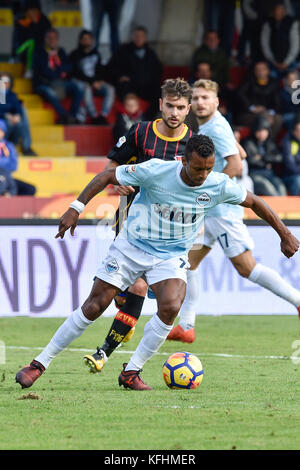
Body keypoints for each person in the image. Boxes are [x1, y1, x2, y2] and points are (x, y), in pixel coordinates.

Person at [15, 134, 299, 390]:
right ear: (183, 160)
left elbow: (255, 202)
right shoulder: (156, 170)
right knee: (95, 306)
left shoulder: (217, 184)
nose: (202, 175)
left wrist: (285, 234)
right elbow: (107, 177)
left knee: (171, 306)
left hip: (170, 255)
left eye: (208, 169)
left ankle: (131, 372)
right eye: (197, 168)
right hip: (131, 246)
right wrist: (75, 209)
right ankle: (39, 364)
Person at [167, 79, 300, 343]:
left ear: (216, 102)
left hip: (222, 211)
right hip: (209, 210)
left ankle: (298, 301)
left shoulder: (216, 126)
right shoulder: (208, 125)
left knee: (246, 267)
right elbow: (240, 152)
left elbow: (236, 165)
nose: (200, 102)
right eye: (197, 98)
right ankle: (186, 325)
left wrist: (208, 196)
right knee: (187, 262)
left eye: (206, 98)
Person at [83, 78, 194, 373]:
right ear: (160, 104)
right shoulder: (142, 132)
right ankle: (105, 352)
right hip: (132, 220)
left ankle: (110, 345)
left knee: (140, 289)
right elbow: (111, 168)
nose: (174, 112)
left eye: (180, 107)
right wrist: (117, 185)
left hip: (169, 232)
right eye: (169, 106)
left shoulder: (192, 143)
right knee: (136, 287)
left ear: (188, 109)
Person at [107, 26, 162, 120]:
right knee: (124, 88)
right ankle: (124, 120)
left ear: (145, 38)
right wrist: (120, 76)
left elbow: (158, 71)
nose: (139, 38)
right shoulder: (123, 50)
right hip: (129, 85)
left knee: (160, 93)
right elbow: (112, 67)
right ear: (133, 37)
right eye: (137, 36)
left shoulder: (150, 53)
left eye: (141, 36)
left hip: (146, 86)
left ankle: (147, 119)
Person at [33, 28, 84, 124]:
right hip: (44, 84)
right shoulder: (39, 52)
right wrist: (59, 71)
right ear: (45, 39)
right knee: (50, 92)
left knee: (79, 87)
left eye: (54, 38)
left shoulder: (61, 52)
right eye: (49, 38)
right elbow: (44, 72)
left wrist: (57, 68)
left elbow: (69, 68)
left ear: (58, 40)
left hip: (59, 83)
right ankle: (65, 116)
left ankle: (72, 116)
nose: (52, 40)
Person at [69, 30, 115, 125]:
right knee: (86, 87)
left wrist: (100, 81)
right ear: (80, 40)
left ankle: (103, 116)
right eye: (84, 39)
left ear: (92, 41)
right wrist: (92, 82)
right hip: (84, 82)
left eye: (89, 39)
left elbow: (101, 69)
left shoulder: (96, 53)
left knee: (111, 89)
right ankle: (94, 116)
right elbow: (76, 73)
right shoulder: (74, 54)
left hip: (96, 83)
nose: (86, 41)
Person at [242, 115, 287, 196]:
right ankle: (275, 208)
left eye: (264, 130)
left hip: (270, 174)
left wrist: (262, 158)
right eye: (259, 131)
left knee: (281, 187)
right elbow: (251, 161)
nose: (262, 134)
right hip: (254, 174)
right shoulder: (248, 142)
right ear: (254, 131)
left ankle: (284, 209)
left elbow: (279, 158)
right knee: (268, 188)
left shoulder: (269, 142)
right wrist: (267, 163)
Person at [236, 61, 283, 137]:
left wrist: (269, 112)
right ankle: (258, 142)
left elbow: (277, 102)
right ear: (254, 71)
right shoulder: (248, 80)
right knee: (263, 119)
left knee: (279, 119)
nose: (260, 72)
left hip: (267, 112)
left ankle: (270, 141)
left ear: (268, 71)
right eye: (257, 69)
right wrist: (252, 108)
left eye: (263, 69)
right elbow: (240, 95)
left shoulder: (274, 83)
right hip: (248, 113)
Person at [0, 72, 37, 156]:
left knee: (22, 112)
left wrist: (17, 115)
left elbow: (17, 108)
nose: (5, 83)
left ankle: (26, 146)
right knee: (8, 123)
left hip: (12, 123)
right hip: (3, 122)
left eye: (7, 81)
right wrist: (8, 115)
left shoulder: (12, 95)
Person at [13, 0, 51, 79]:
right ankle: (28, 69)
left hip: (39, 48)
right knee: (31, 43)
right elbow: (18, 38)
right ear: (27, 10)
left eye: (35, 10)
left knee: (38, 47)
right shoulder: (21, 20)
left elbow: (44, 38)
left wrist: (36, 23)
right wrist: (33, 23)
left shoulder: (44, 21)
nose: (33, 12)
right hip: (22, 48)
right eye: (31, 10)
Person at [260, 1, 299, 78]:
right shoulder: (268, 23)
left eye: (280, 10)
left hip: (290, 61)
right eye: (276, 10)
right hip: (273, 61)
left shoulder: (292, 23)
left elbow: (295, 44)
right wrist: (273, 61)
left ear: (284, 11)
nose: (277, 13)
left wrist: (287, 62)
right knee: (271, 78)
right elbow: (264, 44)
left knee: (293, 80)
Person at [0, 119, 36, 196]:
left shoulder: (9, 146)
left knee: (30, 189)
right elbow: (9, 164)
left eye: (1, 130)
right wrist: (6, 160)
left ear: (4, 132)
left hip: (7, 177)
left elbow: (14, 166)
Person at [281, 120, 300, 194]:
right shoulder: (288, 143)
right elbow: (289, 164)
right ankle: (294, 204)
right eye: (299, 130)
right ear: (294, 131)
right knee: (298, 180)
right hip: (289, 175)